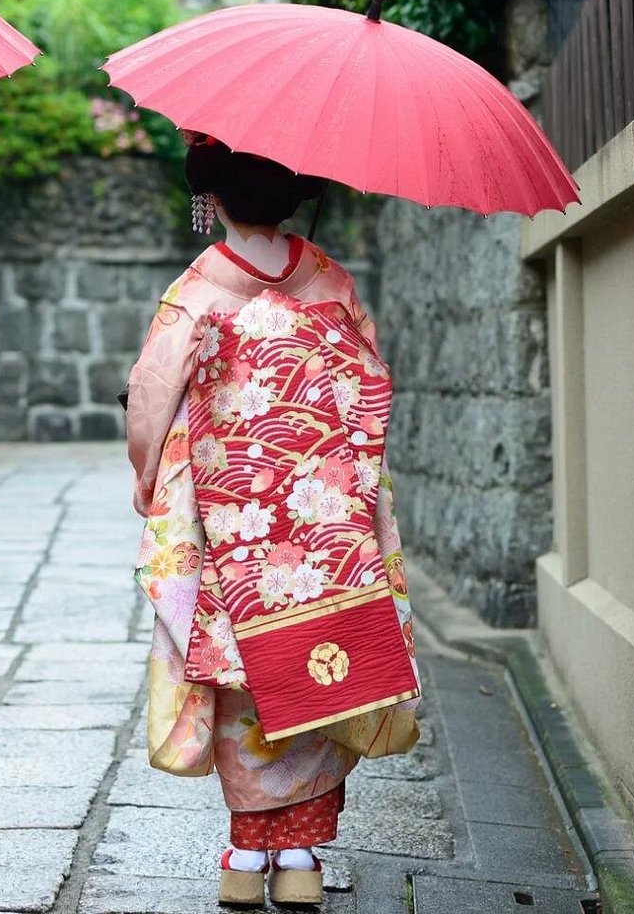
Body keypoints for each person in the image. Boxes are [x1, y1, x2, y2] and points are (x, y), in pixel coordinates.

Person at [127, 133, 422, 907]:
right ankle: (299, 856)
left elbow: (151, 401)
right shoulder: (331, 280)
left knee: (244, 668)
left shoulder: (198, 289)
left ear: (212, 197)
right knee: (322, 655)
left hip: (232, 522)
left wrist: (149, 476)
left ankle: (245, 855)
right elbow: (370, 384)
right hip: (327, 519)